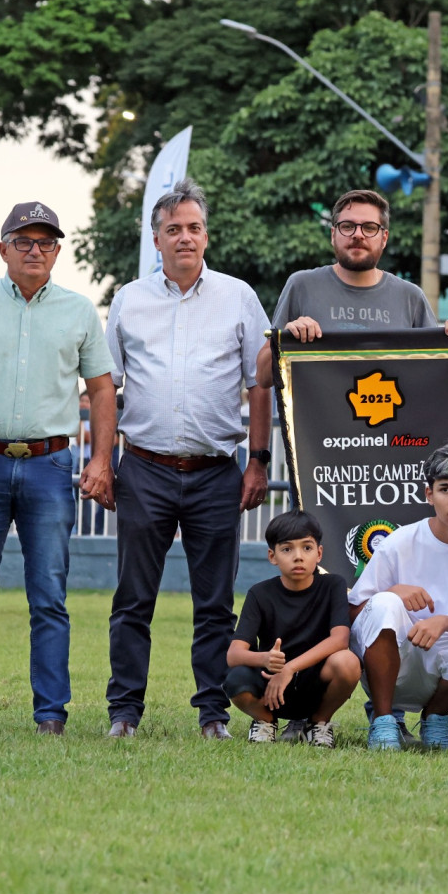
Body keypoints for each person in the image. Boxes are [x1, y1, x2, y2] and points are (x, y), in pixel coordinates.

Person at [0, 201, 117, 734]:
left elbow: (102, 388)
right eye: (24, 241)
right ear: (3, 249)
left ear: (58, 250)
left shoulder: (81, 310)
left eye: (46, 242)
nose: (35, 250)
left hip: (49, 464)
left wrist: (101, 459)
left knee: (49, 597)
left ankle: (50, 715)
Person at [104, 180, 271, 740]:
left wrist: (258, 461)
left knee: (215, 605)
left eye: (193, 228)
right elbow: (105, 386)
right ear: (156, 239)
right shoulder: (129, 299)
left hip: (216, 473)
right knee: (133, 600)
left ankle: (212, 714)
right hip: (144, 469)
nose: (184, 237)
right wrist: (103, 461)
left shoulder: (239, 297)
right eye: (173, 229)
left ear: (207, 236)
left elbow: (260, 384)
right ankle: (124, 712)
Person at [349, 444, 448, 751]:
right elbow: (355, 613)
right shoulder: (400, 541)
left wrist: (445, 622)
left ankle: (436, 716)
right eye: (445, 489)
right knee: (383, 603)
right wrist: (393, 592)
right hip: (398, 660)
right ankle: (384, 721)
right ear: (428, 495)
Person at [254, 188, 448, 387]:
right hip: (318, 431)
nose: (358, 234)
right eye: (347, 226)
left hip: (393, 431)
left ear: (384, 238)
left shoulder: (410, 297)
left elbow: (435, 379)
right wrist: (287, 341)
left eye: (369, 228)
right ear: (333, 235)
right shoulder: (301, 285)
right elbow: (262, 378)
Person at [226, 510, 361, 747]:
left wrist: (289, 668)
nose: (298, 557)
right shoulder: (259, 593)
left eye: (306, 548)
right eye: (287, 549)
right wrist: (266, 659)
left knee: (348, 662)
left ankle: (318, 723)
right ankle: (265, 721)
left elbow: (340, 639)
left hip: (315, 684)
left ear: (319, 553)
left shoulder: (333, 585)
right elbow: (234, 654)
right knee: (235, 679)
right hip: (270, 685)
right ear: (272, 556)